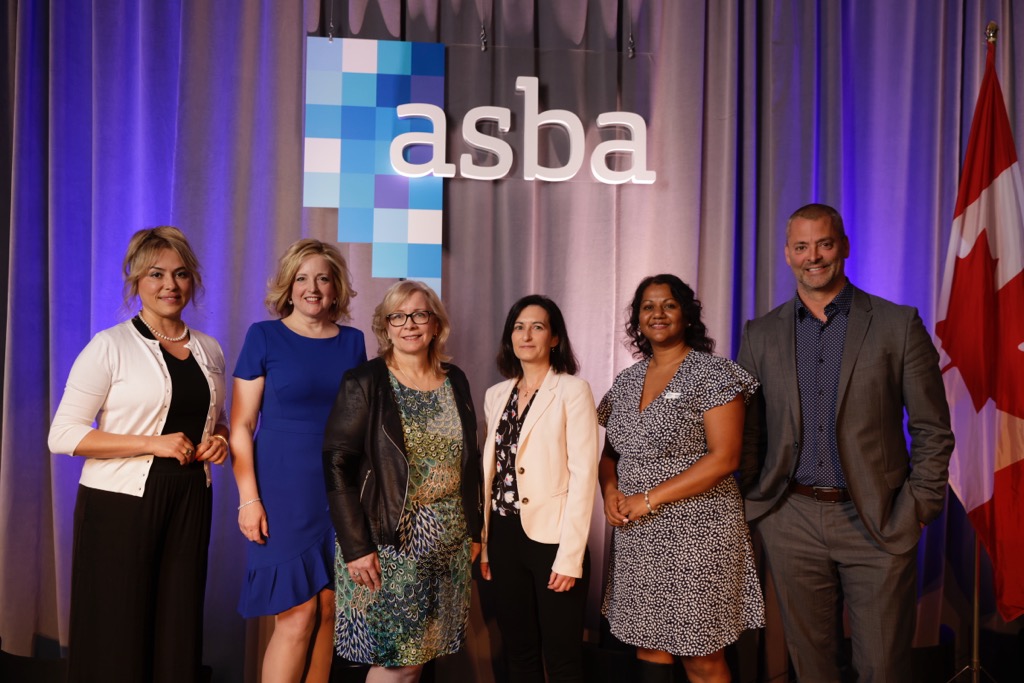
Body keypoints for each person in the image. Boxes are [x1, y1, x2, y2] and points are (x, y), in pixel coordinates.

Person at [737, 202, 954, 682]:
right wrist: (759, 505)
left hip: (877, 518)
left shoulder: (898, 325)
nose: (813, 256)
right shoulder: (761, 334)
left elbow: (933, 429)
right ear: (788, 254)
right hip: (789, 518)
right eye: (802, 246)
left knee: (882, 668)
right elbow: (749, 432)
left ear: (844, 247)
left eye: (825, 244)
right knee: (812, 668)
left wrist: (917, 507)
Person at [48, 226, 229, 683]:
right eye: (156, 274)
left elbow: (213, 419)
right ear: (136, 281)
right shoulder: (109, 346)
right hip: (120, 504)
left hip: (190, 497)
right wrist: (153, 442)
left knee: (178, 625)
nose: (170, 284)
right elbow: (63, 435)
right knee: (117, 628)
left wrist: (220, 439)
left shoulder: (210, 349)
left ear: (193, 281)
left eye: (181, 273)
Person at [598, 274, 765, 683]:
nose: (658, 314)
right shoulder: (626, 381)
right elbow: (610, 454)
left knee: (701, 654)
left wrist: (649, 498)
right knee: (649, 645)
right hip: (639, 532)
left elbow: (725, 458)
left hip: (699, 529)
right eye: (648, 306)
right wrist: (610, 491)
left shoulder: (715, 374)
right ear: (637, 319)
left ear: (687, 315)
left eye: (668, 305)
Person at [322, 280, 483, 683]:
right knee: (397, 661)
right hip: (386, 543)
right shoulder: (365, 381)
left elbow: (471, 461)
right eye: (398, 316)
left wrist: (474, 529)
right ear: (386, 326)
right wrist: (357, 546)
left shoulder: (456, 379)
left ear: (435, 324)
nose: (409, 324)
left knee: (420, 661)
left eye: (419, 315)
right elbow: (337, 463)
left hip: (449, 545)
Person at [229, 239, 366, 683]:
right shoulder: (263, 336)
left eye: (323, 278)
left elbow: (359, 423)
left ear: (336, 288)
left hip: (338, 490)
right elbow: (241, 427)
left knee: (330, 610)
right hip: (282, 491)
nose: (313, 288)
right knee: (296, 613)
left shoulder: (353, 342)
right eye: (302, 278)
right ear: (288, 287)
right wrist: (248, 499)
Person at [478, 295, 600, 683]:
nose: (526, 334)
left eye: (537, 326)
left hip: (553, 540)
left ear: (554, 339)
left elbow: (584, 475)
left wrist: (571, 556)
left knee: (562, 657)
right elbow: (492, 474)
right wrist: (485, 541)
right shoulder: (496, 395)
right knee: (519, 653)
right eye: (518, 326)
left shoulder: (572, 390)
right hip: (503, 537)